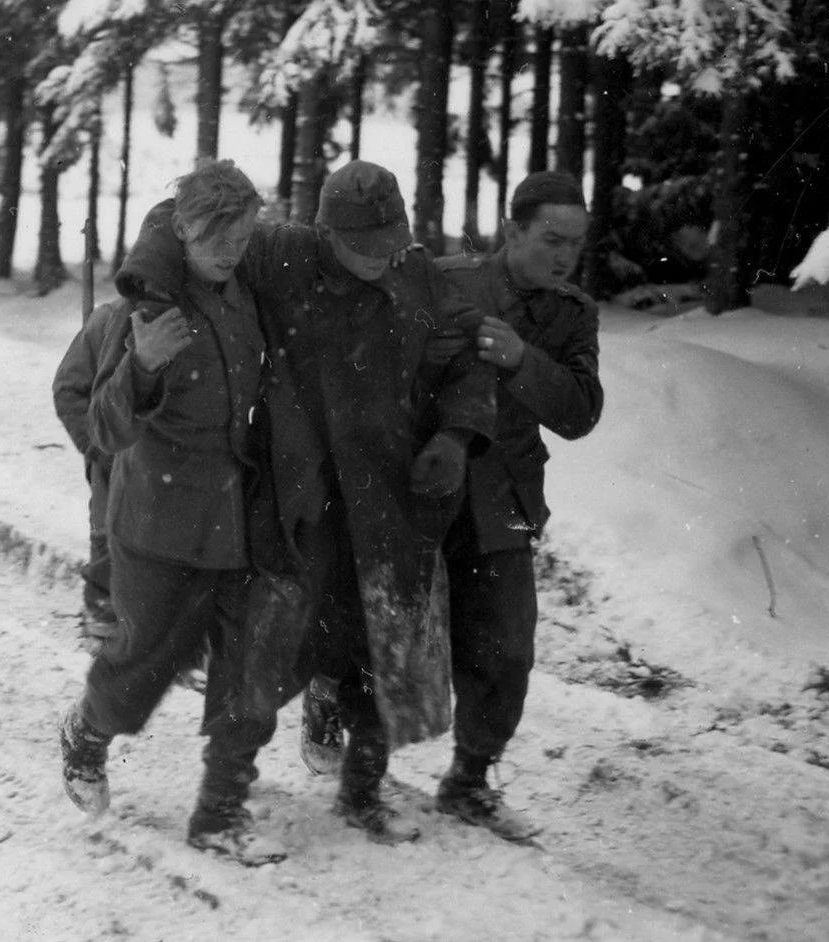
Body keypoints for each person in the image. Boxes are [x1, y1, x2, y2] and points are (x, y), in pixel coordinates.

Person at [238, 160, 499, 844]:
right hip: (307, 492)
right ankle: (227, 783)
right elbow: (181, 230)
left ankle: (361, 792)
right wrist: (145, 290)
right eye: (368, 248)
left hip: (389, 498)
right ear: (327, 234)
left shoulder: (415, 274)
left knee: (388, 642)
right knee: (290, 637)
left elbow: (469, 355)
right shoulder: (283, 253)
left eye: (395, 242)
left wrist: (454, 434)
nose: (386, 260)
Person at [57, 160, 284, 865]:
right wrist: (142, 366)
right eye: (215, 231)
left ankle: (219, 815)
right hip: (156, 524)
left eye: (241, 231)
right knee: (142, 667)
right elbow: (103, 430)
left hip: (236, 522)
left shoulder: (246, 295)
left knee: (251, 673)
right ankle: (87, 734)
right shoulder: (145, 311)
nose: (229, 245)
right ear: (182, 227)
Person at [430, 170, 605, 839]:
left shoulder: (571, 314)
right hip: (428, 485)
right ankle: (356, 750)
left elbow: (580, 413)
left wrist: (521, 359)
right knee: (380, 625)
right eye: (551, 239)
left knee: (505, 648)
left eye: (576, 244)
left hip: (501, 498)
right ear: (513, 231)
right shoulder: (450, 281)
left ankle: (469, 780)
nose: (564, 256)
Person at [51, 299, 122, 644]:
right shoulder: (108, 321)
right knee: (109, 534)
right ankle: (102, 614)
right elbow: (69, 389)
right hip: (118, 465)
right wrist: (99, 447)